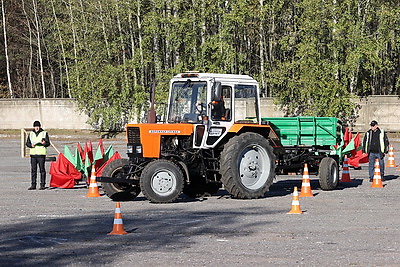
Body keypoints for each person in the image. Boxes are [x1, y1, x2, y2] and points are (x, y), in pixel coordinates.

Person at [26, 121, 50, 190]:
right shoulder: (31, 134)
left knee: (42, 170)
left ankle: (42, 185)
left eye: (38, 126)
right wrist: (31, 145)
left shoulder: (44, 133)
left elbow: (48, 143)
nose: (37, 128)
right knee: (33, 170)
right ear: (34, 127)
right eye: (35, 126)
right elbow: (27, 143)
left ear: (40, 126)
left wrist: (44, 143)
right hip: (33, 154)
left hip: (41, 154)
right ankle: (33, 185)